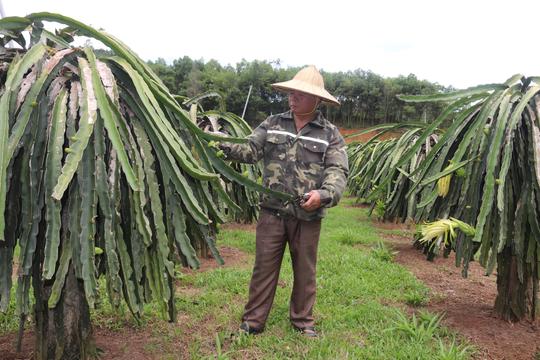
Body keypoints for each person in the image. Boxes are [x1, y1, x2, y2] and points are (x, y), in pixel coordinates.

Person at [220, 65, 348, 338]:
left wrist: (323, 195)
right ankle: (253, 321)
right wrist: (221, 144)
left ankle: (302, 321)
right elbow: (250, 150)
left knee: (305, 270)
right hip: (272, 212)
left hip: (308, 214)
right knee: (264, 266)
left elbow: (338, 172)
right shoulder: (273, 123)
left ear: (317, 99)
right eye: (290, 93)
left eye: (300, 94)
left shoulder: (329, 134)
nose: (292, 97)